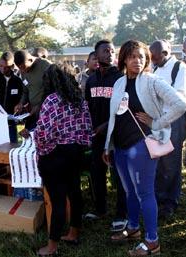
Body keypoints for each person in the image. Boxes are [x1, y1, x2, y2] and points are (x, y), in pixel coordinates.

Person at [103, 40, 186, 256]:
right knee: (129, 190)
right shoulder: (119, 83)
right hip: (120, 147)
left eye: (141, 57)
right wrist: (107, 146)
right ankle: (132, 228)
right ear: (123, 59)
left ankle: (152, 242)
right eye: (132, 56)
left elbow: (181, 103)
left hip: (141, 145)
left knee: (145, 193)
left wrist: (157, 122)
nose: (137, 61)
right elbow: (113, 116)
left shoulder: (151, 81)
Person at [34, 63, 92, 256]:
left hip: (55, 155)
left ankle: (52, 246)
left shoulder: (51, 100)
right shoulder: (79, 99)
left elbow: (42, 132)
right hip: (75, 152)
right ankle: (74, 233)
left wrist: (44, 151)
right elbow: (87, 127)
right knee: (75, 194)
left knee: (58, 201)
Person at [84, 40, 127, 231]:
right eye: (105, 51)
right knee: (96, 172)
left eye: (112, 51)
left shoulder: (120, 77)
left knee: (119, 175)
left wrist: (105, 126)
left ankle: (121, 214)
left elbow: (124, 109)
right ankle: (100, 208)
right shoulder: (91, 80)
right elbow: (87, 107)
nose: (110, 54)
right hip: (96, 135)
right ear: (96, 55)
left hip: (117, 134)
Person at [149, 39, 186, 219]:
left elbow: (182, 98)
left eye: (156, 58)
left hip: (173, 121)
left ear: (166, 53)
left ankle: (170, 202)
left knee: (171, 163)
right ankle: (159, 198)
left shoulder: (179, 69)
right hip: (155, 121)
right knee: (158, 161)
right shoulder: (155, 68)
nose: (153, 61)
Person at [14, 50, 51, 133]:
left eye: (24, 67)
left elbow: (53, 90)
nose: (22, 71)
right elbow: (26, 90)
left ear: (30, 60)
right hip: (33, 112)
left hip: (47, 111)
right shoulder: (23, 69)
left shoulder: (46, 66)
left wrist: (39, 105)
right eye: (20, 68)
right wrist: (21, 103)